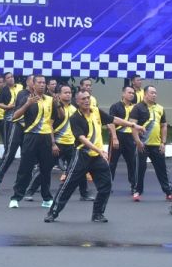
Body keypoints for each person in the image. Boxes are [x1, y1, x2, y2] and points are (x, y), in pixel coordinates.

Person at [46, 90, 129, 223]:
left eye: (88, 98)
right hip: (82, 156)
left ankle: (97, 214)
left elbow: (112, 119)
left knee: (106, 185)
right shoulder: (75, 118)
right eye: (83, 99)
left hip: (97, 158)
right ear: (77, 102)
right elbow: (82, 139)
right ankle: (53, 212)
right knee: (68, 186)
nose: (86, 100)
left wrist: (132, 124)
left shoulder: (95, 111)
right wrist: (99, 150)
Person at [8, 75, 63, 209]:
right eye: (39, 82)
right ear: (33, 84)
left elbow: (60, 117)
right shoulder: (26, 98)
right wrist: (27, 104)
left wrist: (58, 104)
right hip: (31, 137)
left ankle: (46, 198)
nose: (42, 85)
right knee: (25, 169)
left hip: (46, 138)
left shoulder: (50, 100)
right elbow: (14, 116)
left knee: (46, 169)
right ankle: (16, 197)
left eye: (44, 82)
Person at [131, 85, 172, 200]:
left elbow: (164, 126)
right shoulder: (138, 108)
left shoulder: (160, 108)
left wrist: (163, 142)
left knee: (162, 169)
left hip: (156, 144)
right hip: (142, 144)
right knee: (140, 168)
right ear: (145, 94)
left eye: (155, 93)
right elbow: (133, 126)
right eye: (152, 93)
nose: (154, 95)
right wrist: (138, 141)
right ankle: (137, 192)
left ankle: (169, 192)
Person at [107, 85, 143, 197]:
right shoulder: (115, 106)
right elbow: (110, 122)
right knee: (111, 163)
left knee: (132, 163)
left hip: (130, 138)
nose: (131, 94)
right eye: (129, 92)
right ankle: (107, 186)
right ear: (123, 94)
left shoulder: (136, 108)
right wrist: (114, 137)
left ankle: (134, 187)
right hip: (117, 136)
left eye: (133, 93)